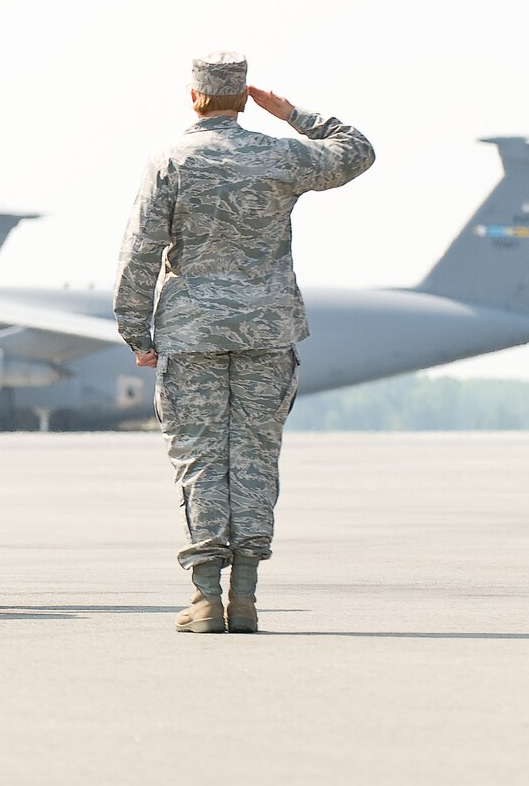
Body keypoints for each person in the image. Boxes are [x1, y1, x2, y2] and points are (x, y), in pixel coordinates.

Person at [114, 52, 374, 634]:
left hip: (192, 331)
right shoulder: (281, 154)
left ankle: (206, 598)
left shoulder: (171, 160)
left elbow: (140, 251)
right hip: (268, 328)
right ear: (243, 97)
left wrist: (136, 329)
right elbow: (357, 149)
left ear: (194, 96)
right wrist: (291, 113)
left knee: (201, 459)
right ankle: (247, 595)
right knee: (255, 457)